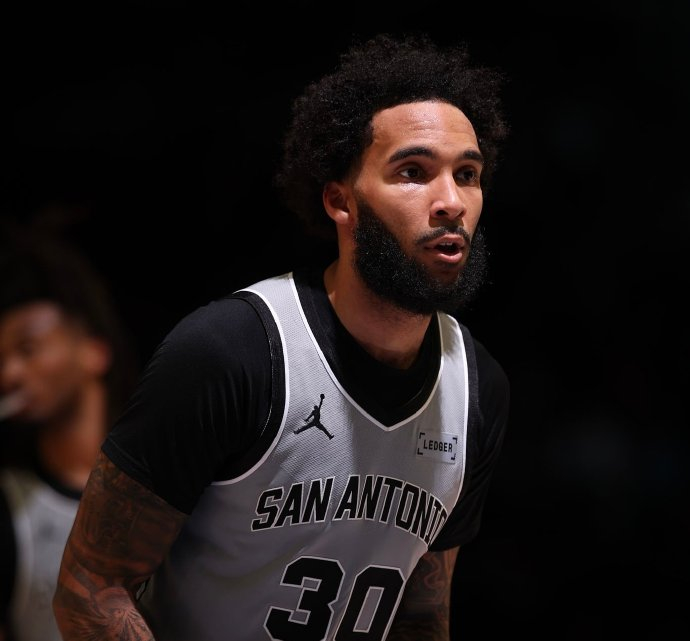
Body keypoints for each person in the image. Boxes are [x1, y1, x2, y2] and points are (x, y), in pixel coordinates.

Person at [53, 32, 511, 640]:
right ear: (340, 202)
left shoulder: (476, 389)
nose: (451, 201)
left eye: (468, 174)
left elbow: (421, 615)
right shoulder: (233, 352)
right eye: (413, 172)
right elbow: (90, 587)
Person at [0, 228, 138, 641]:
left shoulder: (169, 487)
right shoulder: (10, 504)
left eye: (27, 348)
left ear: (94, 350)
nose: (9, 374)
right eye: (0, 359)